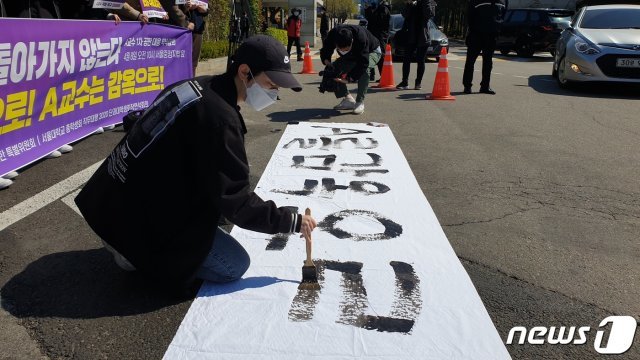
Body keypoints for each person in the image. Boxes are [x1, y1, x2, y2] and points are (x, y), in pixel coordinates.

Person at [75, 35, 316, 291]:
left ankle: (130, 242)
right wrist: (289, 222)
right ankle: (134, 255)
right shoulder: (221, 119)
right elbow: (235, 200)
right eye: (271, 84)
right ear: (245, 72)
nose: (274, 94)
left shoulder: (196, 86)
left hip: (109, 203)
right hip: (136, 222)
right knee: (234, 264)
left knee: (233, 190)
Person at [320, 24, 382, 115]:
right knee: (333, 69)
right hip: (353, 54)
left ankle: (359, 102)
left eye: (345, 49)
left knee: (364, 71)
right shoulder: (333, 34)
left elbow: (363, 63)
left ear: (352, 41)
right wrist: (327, 61)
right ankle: (348, 99)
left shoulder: (361, 37)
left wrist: (350, 78)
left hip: (372, 51)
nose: (343, 51)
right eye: (340, 49)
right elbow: (326, 49)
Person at [462, 0, 507, 95]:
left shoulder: (503, 1)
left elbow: (503, 15)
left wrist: (497, 28)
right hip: (476, 34)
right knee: (470, 61)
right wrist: (472, 30)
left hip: (492, 36)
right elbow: (470, 15)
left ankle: (485, 86)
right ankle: (467, 86)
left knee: (488, 62)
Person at [396, 0, 435, 90]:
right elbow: (404, 14)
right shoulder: (412, 2)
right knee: (406, 59)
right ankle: (404, 82)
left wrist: (423, 2)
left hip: (423, 36)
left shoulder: (428, 1)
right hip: (411, 35)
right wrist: (409, 4)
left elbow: (429, 14)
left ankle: (418, 82)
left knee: (421, 60)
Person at [365, 1, 391, 81]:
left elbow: (377, 20)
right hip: (373, 35)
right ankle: (371, 74)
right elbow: (369, 19)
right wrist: (368, 9)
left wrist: (371, 9)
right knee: (370, 54)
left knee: (380, 55)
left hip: (380, 36)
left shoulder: (384, 8)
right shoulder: (377, 8)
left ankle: (383, 76)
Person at [184, 0, 209, 75]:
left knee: (194, 61)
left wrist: (198, 6)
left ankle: (192, 79)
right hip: (184, 30)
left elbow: (206, 11)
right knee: (183, 57)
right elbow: (177, 8)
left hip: (198, 30)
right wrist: (186, 8)